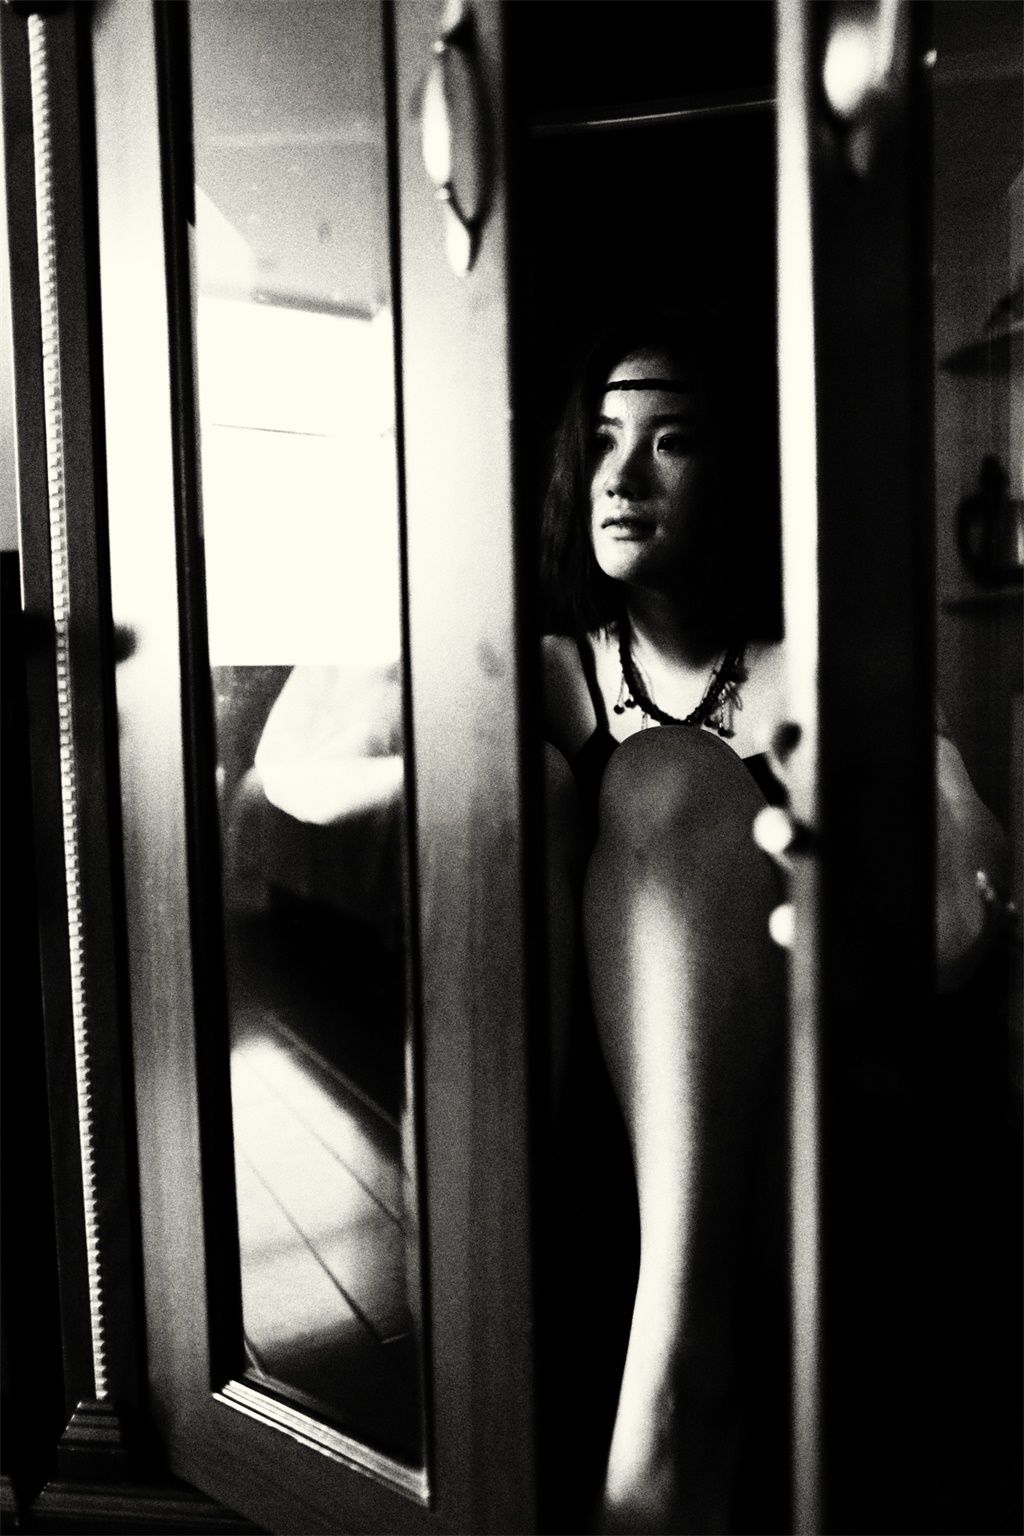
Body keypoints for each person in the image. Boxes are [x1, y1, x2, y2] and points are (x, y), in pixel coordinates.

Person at [539, 316, 1013, 1533]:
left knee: (676, 776)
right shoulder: (543, 672)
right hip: (584, 1139)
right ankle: (683, 1384)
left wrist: (925, 877)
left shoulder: (802, 671)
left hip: (785, 1144)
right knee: (630, 776)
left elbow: (962, 868)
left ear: (737, 472)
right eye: (603, 440)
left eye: (671, 441)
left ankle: (679, 1386)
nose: (622, 477)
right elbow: (309, 772)